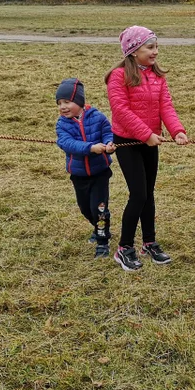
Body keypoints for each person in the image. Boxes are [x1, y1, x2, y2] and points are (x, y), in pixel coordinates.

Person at [105, 26, 188, 271]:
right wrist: (146, 134)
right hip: (128, 142)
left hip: (151, 141)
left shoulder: (157, 76)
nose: (156, 52)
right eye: (150, 47)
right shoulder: (118, 76)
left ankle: (149, 242)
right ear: (133, 51)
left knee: (149, 193)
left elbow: (166, 107)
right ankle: (124, 248)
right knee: (138, 194)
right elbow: (121, 110)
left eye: (156, 46)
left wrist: (177, 130)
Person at [55, 78, 116, 258]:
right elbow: (67, 143)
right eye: (59, 103)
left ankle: (102, 242)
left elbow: (107, 132)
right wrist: (90, 148)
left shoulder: (97, 117)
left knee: (100, 209)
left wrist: (108, 143)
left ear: (80, 102)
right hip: (79, 174)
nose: (63, 107)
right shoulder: (62, 124)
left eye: (67, 102)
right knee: (85, 208)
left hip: (100, 173)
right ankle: (98, 228)